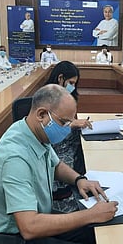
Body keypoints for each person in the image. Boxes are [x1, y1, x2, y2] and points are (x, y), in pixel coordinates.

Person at [0, 84, 117, 244]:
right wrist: (90, 214)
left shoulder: (33, 131)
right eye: (64, 122)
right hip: (10, 239)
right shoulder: (15, 157)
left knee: (94, 235)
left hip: (35, 216)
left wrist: (79, 179)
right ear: (42, 115)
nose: (68, 128)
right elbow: (29, 227)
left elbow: (55, 164)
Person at [44, 61, 92, 213]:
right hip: (56, 150)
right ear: (60, 78)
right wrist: (72, 124)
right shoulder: (45, 98)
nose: (73, 87)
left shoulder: (65, 97)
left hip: (71, 145)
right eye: (71, 83)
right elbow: (46, 130)